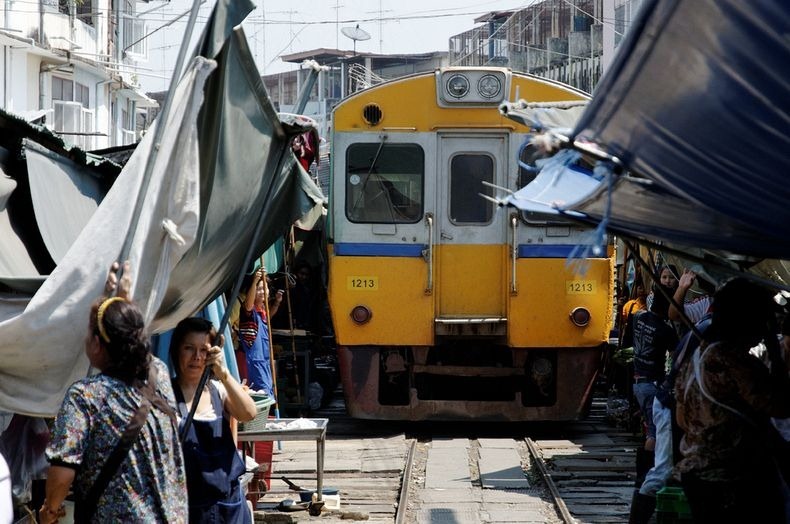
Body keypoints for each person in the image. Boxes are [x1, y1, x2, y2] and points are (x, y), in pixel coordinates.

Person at [41, 261, 187, 523]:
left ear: (97, 343)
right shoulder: (160, 375)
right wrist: (120, 302)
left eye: (89, 333)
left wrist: (50, 511)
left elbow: (62, 474)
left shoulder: (84, 397)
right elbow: (134, 341)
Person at [675, 277, 790, 523]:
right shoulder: (734, 361)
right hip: (730, 478)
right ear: (746, 320)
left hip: (695, 472)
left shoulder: (697, 356)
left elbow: (681, 417)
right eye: (763, 320)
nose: (763, 329)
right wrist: (777, 357)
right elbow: (779, 405)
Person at [170, 317, 257, 523]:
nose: (197, 357)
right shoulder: (165, 396)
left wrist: (223, 373)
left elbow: (248, 413)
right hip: (189, 507)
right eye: (189, 348)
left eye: (204, 350)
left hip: (228, 505)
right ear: (177, 351)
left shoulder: (218, 390)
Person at [238, 267, 282, 395]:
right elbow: (248, 305)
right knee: (261, 393)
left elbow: (268, 318)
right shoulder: (248, 313)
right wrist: (255, 280)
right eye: (259, 289)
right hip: (253, 363)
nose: (263, 292)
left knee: (268, 391)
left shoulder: (262, 310)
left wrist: (277, 303)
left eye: (265, 288)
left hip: (265, 361)